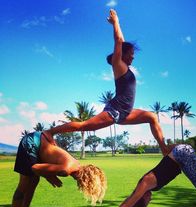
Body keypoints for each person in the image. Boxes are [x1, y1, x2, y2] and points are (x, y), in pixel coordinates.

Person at [43, 9, 169, 156]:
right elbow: (119, 41)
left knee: (152, 117)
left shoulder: (125, 68)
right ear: (123, 54)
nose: (133, 58)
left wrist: (117, 25)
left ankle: (164, 150)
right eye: (132, 54)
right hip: (114, 112)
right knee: (83, 126)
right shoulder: (119, 65)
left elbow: (121, 40)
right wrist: (116, 22)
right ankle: (50, 132)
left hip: (126, 113)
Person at [11, 131, 107, 207]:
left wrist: (50, 175)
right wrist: (49, 176)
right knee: (25, 183)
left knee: (34, 180)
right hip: (31, 143)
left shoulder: (76, 165)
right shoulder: (66, 170)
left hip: (38, 142)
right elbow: (35, 168)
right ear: (85, 180)